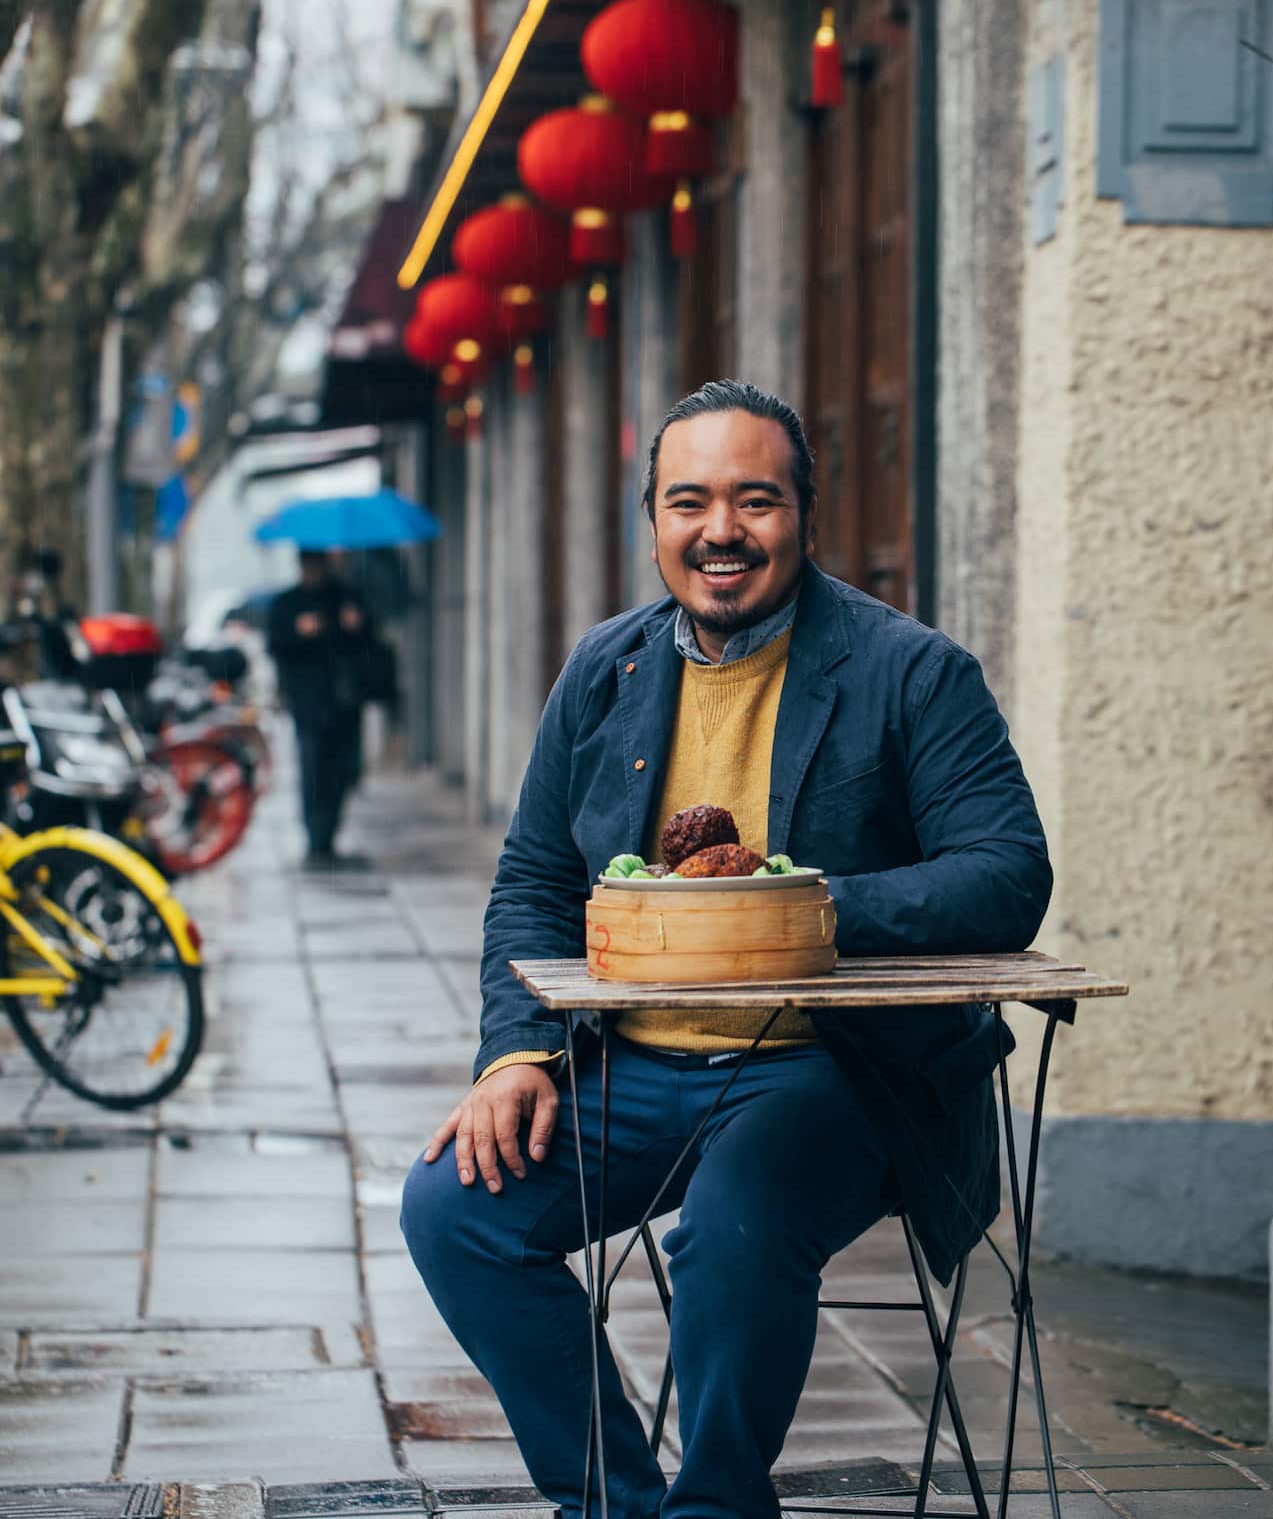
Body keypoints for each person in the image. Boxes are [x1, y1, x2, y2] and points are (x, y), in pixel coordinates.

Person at [401, 380, 1053, 1519]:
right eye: (687, 500)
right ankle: (613, 1503)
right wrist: (513, 1057)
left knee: (733, 1224)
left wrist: (796, 910)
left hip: (828, 1066)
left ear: (804, 512)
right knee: (454, 1210)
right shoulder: (602, 670)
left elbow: (1007, 874)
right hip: (631, 1062)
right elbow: (534, 882)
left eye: (754, 500)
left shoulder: (910, 671)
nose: (719, 531)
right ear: (649, 518)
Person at [267, 549, 373, 871]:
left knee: (342, 769)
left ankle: (330, 833)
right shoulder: (287, 602)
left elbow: (369, 641)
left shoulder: (346, 597)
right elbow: (276, 645)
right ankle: (315, 837)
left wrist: (356, 625)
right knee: (312, 767)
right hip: (308, 703)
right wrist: (299, 632)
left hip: (344, 701)